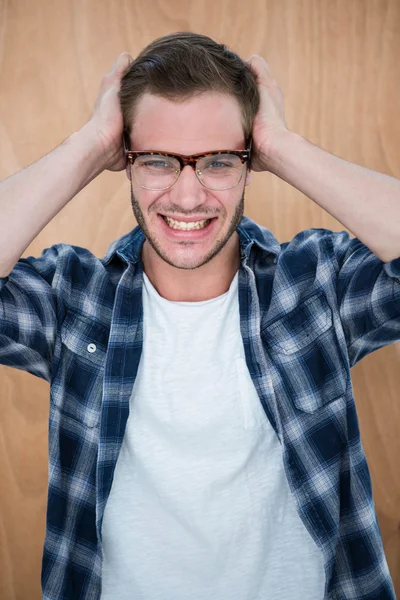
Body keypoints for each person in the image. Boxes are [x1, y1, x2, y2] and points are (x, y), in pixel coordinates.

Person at [0, 31, 399, 600]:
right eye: (159, 161)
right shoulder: (75, 299)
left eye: (217, 161)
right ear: (126, 161)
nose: (188, 197)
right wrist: (88, 144)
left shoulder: (313, 286)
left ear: (249, 161)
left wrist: (282, 145)